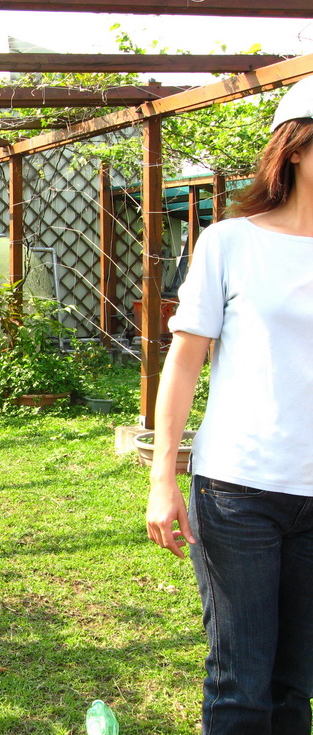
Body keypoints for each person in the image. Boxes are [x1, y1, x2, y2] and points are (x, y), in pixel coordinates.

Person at [145, 75, 313, 735]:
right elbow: (183, 363)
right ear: (296, 148)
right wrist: (163, 477)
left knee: (294, 687)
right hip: (238, 489)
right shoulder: (230, 243)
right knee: (241, 686)